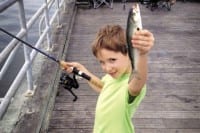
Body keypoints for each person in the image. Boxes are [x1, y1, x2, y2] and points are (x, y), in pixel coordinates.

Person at [62, 24, 154, 133]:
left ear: (130, 53)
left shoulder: (130, 84)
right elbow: (102, 87)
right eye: (102, 62)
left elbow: (140, 79)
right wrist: (81, 70)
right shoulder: (110, 77)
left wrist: (142, 54)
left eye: (112, 60)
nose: (107, 68)